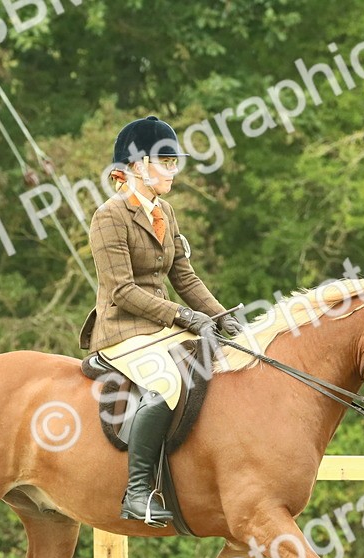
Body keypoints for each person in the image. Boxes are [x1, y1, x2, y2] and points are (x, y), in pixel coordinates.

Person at [78, 115, 241, 527]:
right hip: (121, 329)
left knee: (221, 360)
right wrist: (183, 316)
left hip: (159, 327)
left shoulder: (164, 211)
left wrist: (222, 318)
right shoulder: (109, 216)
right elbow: (122, 291)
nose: (173, 169)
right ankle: (137, 493)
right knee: (168, 383)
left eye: (174, 161)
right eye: (164, 161)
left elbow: (183, 276)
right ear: (136, 167)